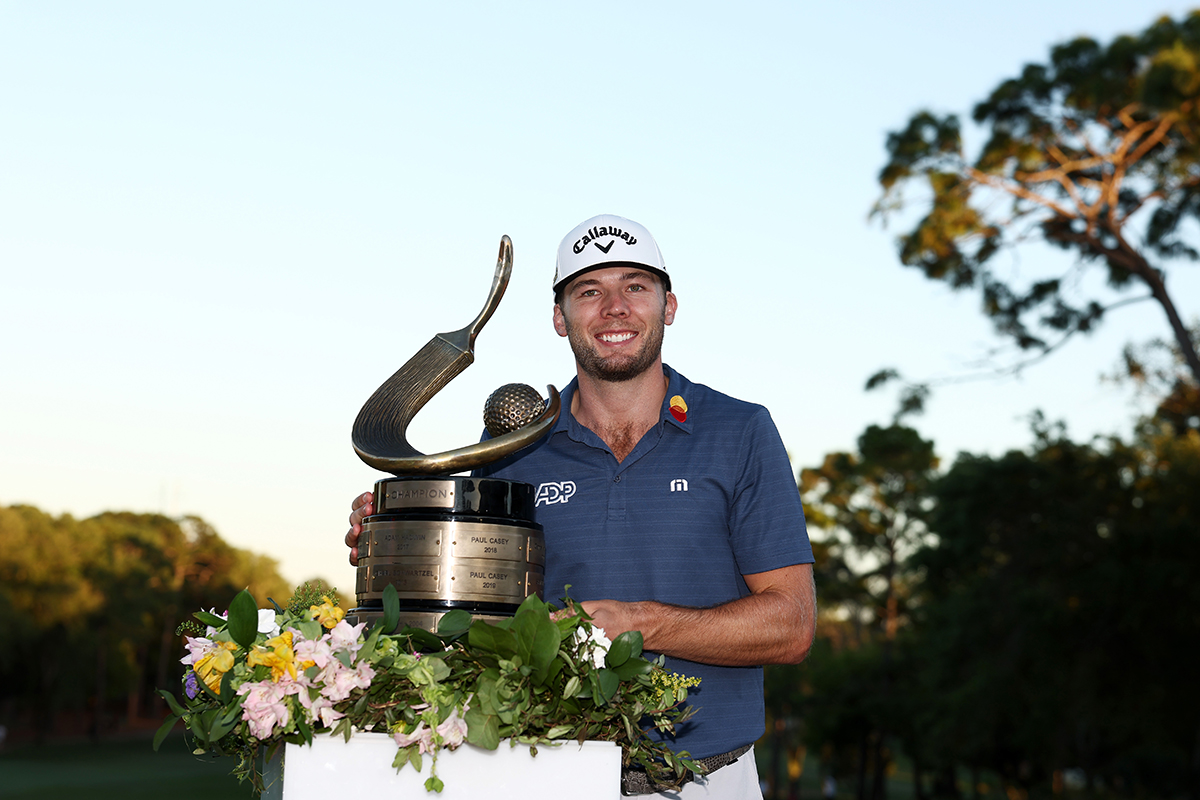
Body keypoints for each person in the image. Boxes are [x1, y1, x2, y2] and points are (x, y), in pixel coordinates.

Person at [345, 214, 816, 799]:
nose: (614, 307)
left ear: (669, 306)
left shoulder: (741, 431)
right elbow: (468, 603)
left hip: (704, 780)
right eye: (589, 291)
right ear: (558, 318)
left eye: (635, 286)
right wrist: (401, 529)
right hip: (543, 773)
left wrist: (638, 623)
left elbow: (792, 626)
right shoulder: (513, 450)